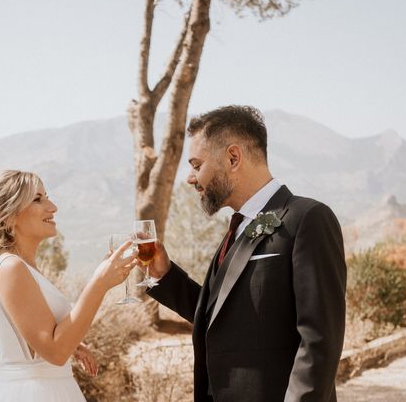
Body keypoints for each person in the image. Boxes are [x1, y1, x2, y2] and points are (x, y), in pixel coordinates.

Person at [144, 105, 346, 402]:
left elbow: (319, 342)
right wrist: (165, 276)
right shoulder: (237, 228)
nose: (190, 178)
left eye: (197, 165)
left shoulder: (307, 219)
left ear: (233, 157)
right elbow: (224, 316)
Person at [0, 170, 136, 402]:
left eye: (46, 196)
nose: (53, 206)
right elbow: (55, 352)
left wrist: (72, 343)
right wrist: (99, 283)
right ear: (9, 217)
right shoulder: (11, 268)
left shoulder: (23, 268)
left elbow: (44, 340)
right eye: (38, 199)